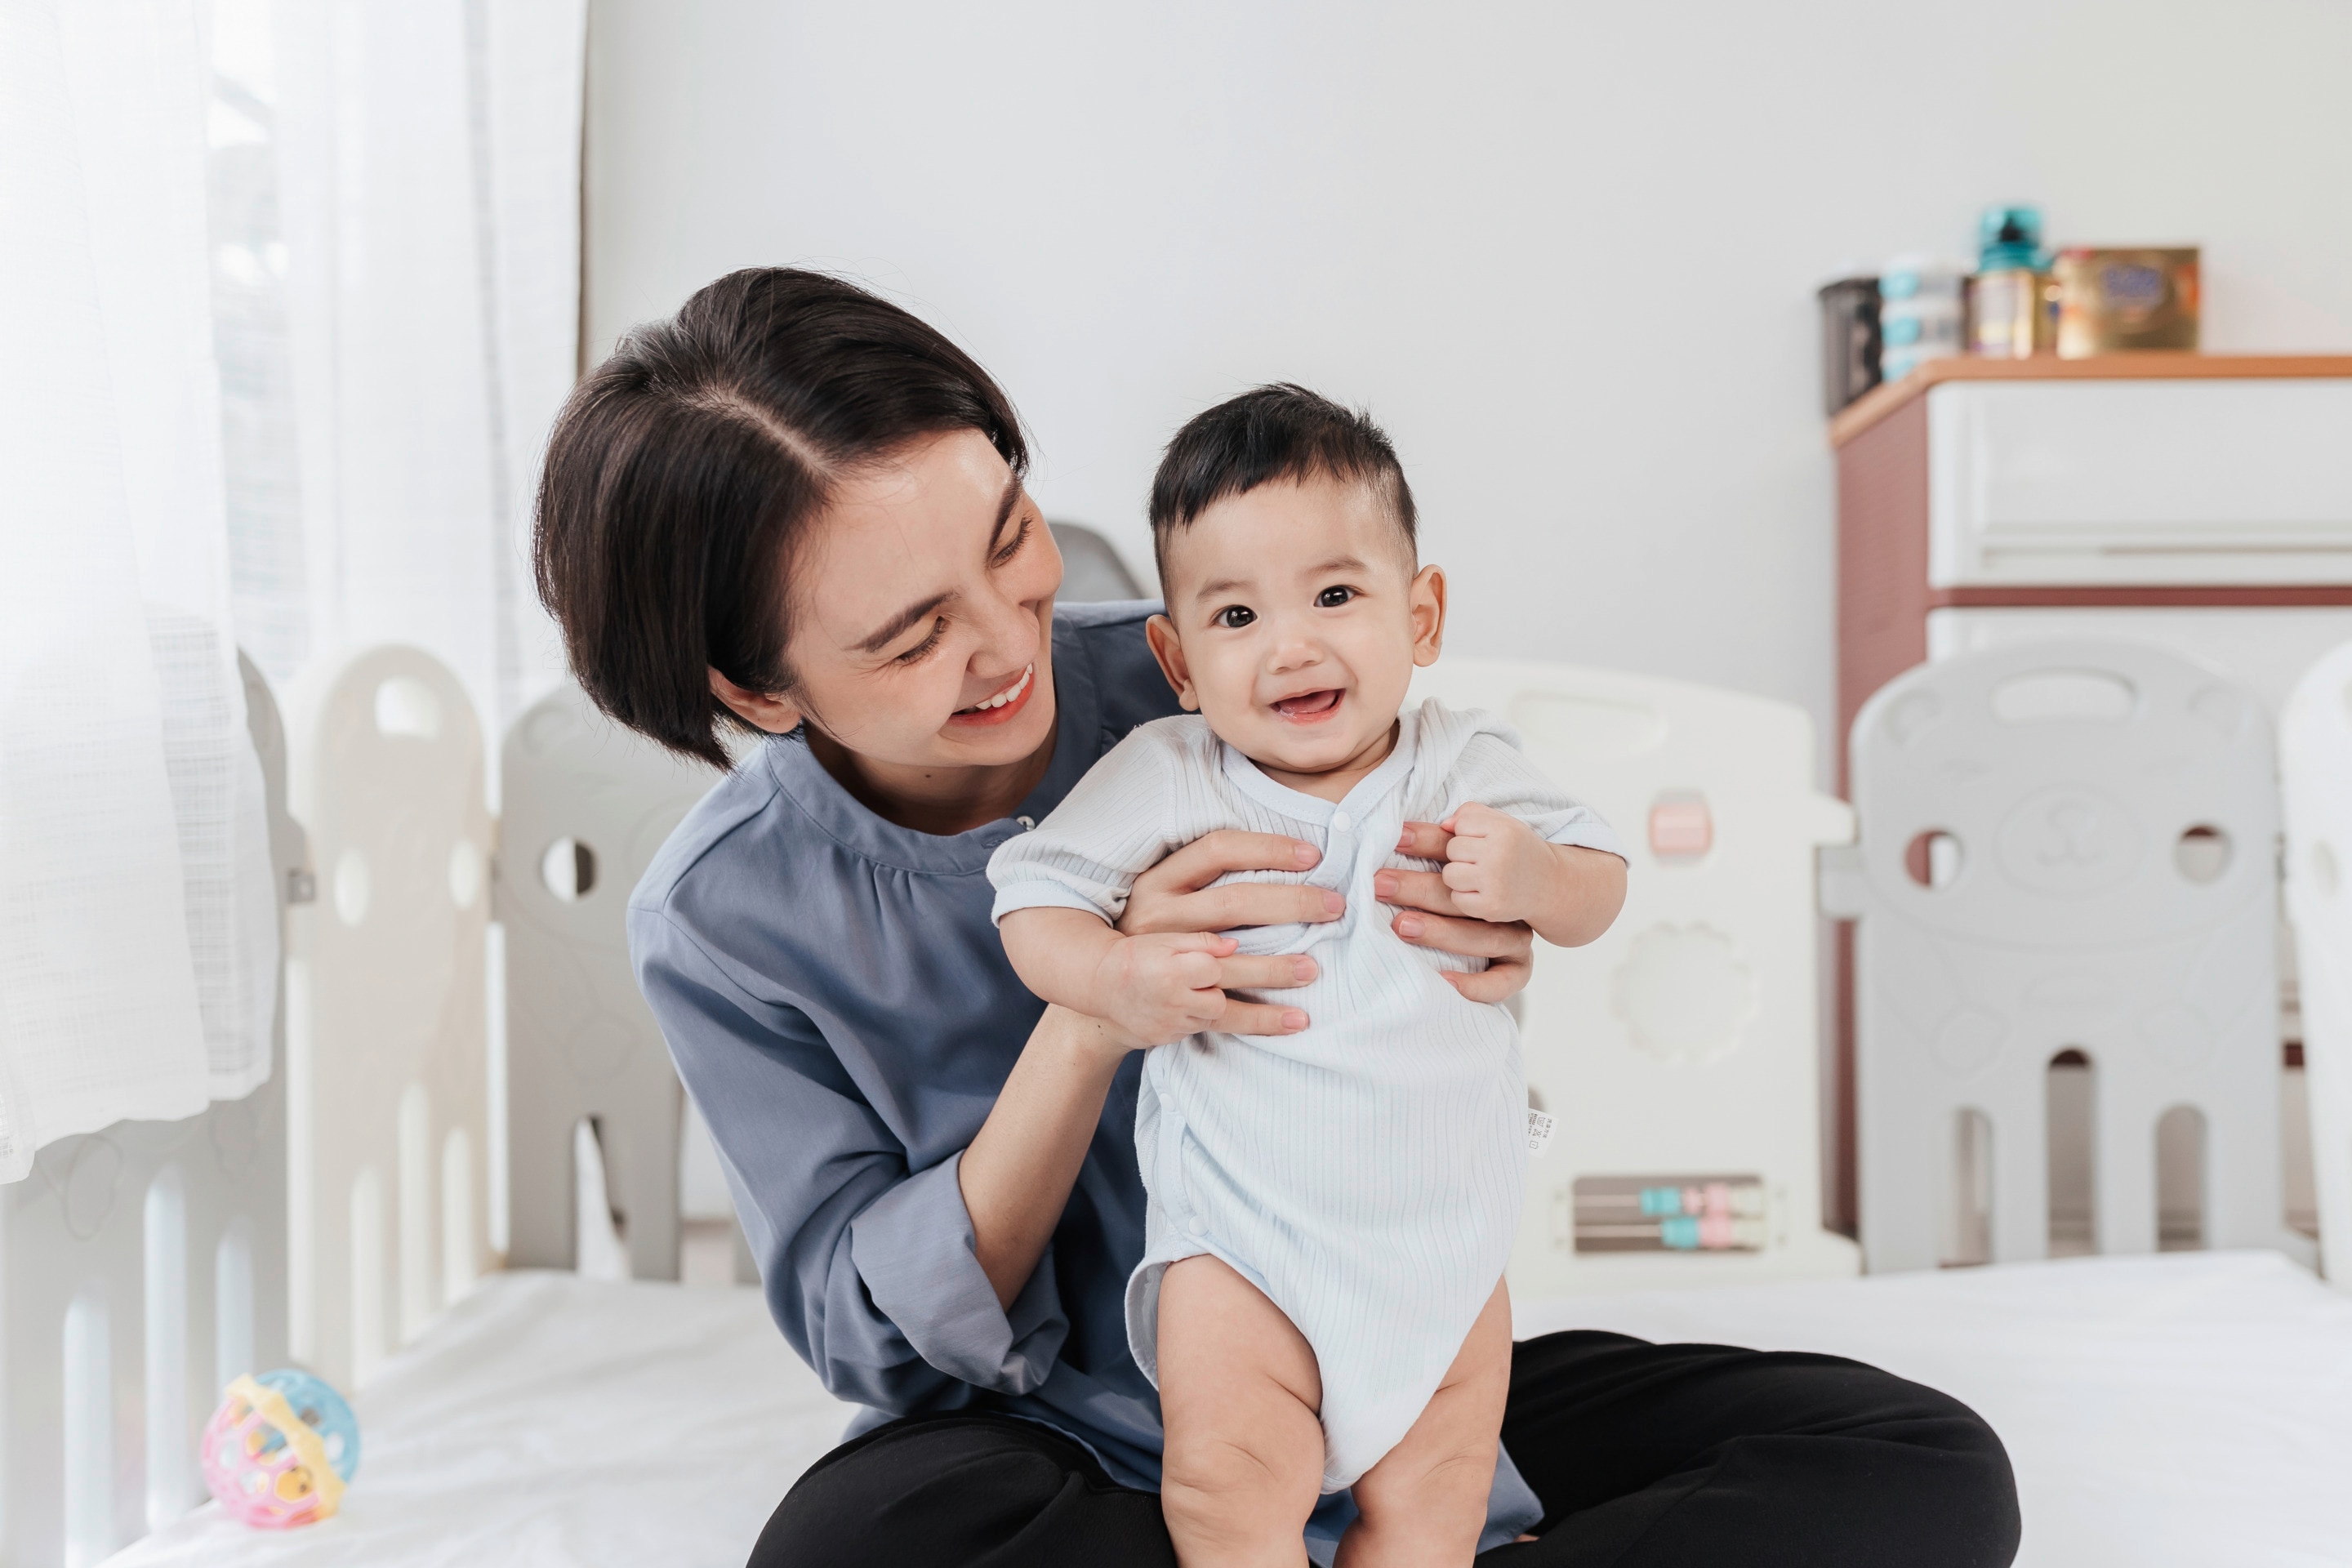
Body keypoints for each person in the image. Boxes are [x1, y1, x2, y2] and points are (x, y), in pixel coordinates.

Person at [531, 265, 2023, 1568]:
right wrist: (1090, 1018)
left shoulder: (1223, 674)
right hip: (1071, 1432)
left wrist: (1499, 920)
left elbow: (1474, 875)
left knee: (1919, 1467)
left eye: (1009, 539)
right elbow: (878, 1346)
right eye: (915, 637)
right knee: (853, 1550)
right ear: (758, 690)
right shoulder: (725, 918)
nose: (1008, 644)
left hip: (1385, 1324)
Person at [989, 384, 1628, 1566]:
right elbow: (1032, 896)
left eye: (1336, 595)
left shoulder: (1462, 764)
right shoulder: (1174, 771)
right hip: (1247, 1244)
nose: (1292, 645)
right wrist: (1116, 974)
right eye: (1235, 616)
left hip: (1443, 1235)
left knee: (1438, 1494)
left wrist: (1537, 874)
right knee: (1232, 1483)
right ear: (1177, 660)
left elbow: (1599, 888)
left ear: (1422, 615)